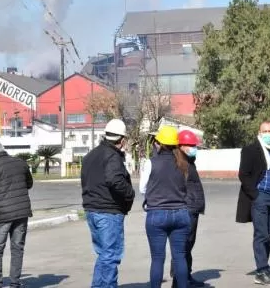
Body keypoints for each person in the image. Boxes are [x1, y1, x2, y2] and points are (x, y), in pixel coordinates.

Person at [81, 118, 135, 287]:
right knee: (111, 255)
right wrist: (130, 194)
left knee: (104, 255)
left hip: (92, 210)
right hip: (108, 212)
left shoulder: (91, 155)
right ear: (122, 140)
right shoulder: (112, 155)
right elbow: (114, 180)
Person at [0, 141, 34, 288]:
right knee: (17, 248)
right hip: (21, 212)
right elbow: (29, 184)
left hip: (2, 214)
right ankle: (15, 283)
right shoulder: (20, 163)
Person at [236, 121, 270, 286]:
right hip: (261, 197)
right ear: (259, 132)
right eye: (265, 131)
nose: (268, 134)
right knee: (261, 234)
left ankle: (265, 268)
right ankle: (261, 270)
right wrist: (255, 195)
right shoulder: (251, 150)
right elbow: (243, 174)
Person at [143, 125, 191, 288]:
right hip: (181, 213)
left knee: (157, 258)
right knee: (180, 257)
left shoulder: (150, 163)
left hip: (157, 213)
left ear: (159, 143)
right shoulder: (183, 163)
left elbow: (143, 188)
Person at [169, 129, 206, 287]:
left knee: (189, 245)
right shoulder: (178, 163)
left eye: (194, 145)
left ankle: (186, 276)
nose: (193, 148)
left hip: (193, 208)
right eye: (190, 145)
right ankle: (178, 279)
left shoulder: (189, 161)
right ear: (181, 146)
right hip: (186, 209)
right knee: (182, 246)